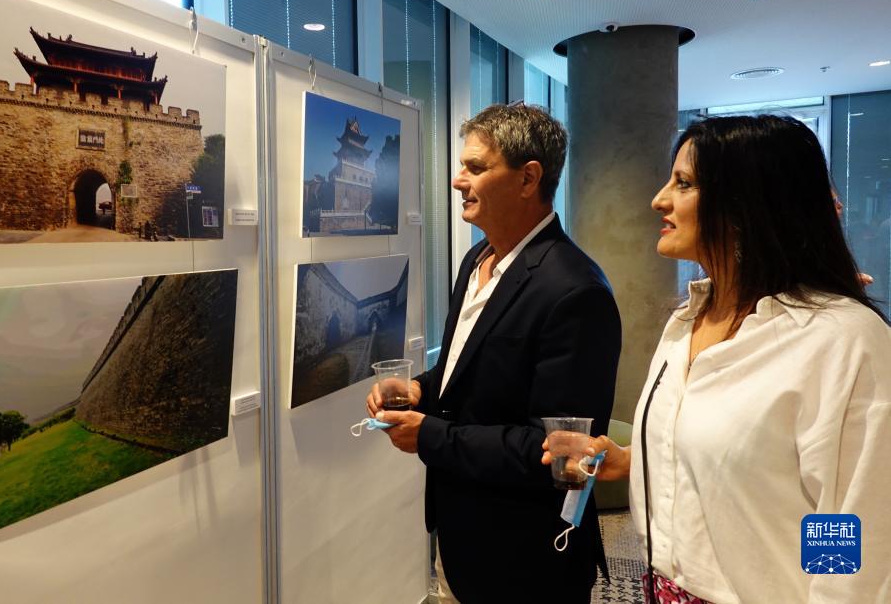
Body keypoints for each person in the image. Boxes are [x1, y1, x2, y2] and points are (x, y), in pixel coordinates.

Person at [544, 115, 891, 603]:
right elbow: (730, 451)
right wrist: (629, 460)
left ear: (747, 203)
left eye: (683, 183)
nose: (659, 200)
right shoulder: (687, 319)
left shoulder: (840, 340)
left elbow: (848, 523)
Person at [367, 103, 621, 603]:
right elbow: (468, 369)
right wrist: (419, 388)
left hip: (526, 556)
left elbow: (557, 450)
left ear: (528, 179)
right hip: (461, 534)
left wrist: (430, 436)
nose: (458, 181)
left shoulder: (575, 291)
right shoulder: (476, 259)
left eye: (476, 167)